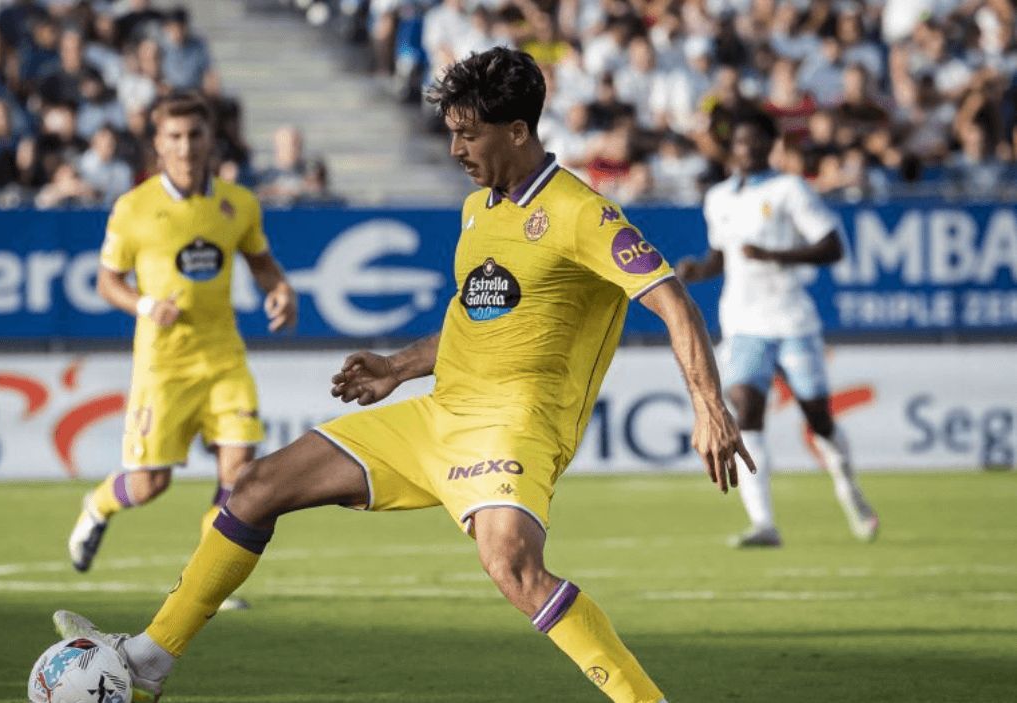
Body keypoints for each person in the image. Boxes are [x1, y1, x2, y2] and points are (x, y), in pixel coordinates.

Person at [51, 49, 751, 703]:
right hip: (435, 415)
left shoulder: (581, 212)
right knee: (256, 485)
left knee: (511, 564)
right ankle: (149, 657)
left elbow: (672, 299)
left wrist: (709, 406)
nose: (456, 151)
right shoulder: (478, 210)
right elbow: (471, 320)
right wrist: (396, 366)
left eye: (468, 135)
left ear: (516, 131)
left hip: (512, 425)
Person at [65, 93, 298, 603]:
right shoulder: (134, 208)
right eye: (174, 136)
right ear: (157, 143)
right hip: (163, 366)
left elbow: (261, 262)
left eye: (194, 135)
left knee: (239, 478)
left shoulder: (238, 203)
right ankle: (99, 505)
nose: (186, 146)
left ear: (210, 139)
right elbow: (108, 281)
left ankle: (207, 580)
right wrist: (147, 306)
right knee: (149, 484)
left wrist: (280, 290)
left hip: (224, 358)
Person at [675, 112, 879, 549]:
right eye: (739, 140)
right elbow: (722, 256)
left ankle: (849, 489)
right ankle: (763, 522)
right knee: (745, 407)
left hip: (791, 320)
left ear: (771, 145)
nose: (745, 147)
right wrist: (698, 268)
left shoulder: (790, 189)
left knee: (818, 418)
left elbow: (832, 246)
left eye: (754, 140)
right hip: (743, 323)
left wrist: (774, 255)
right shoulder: (719, 197)